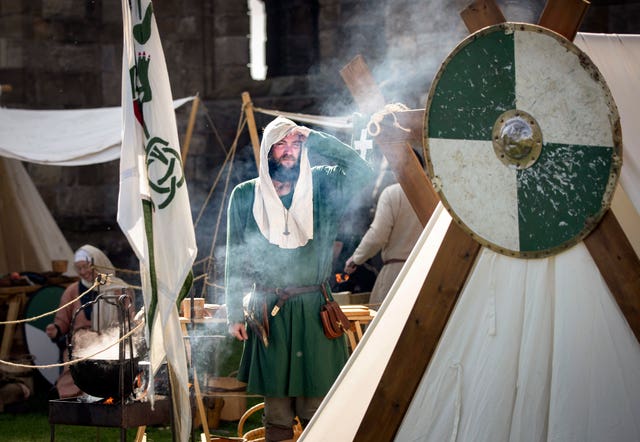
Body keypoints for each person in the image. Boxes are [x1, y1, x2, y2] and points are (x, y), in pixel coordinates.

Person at [225, 116, 373, 442]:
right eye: (281, 144)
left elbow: (364, 171)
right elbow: (235, 253)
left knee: (317, 407)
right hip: (270, 312)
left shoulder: (322, 186)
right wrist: (234, 309)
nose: (289, 151)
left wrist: (314, 137)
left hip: (314, 311)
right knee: (276, 412)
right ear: (268, 150)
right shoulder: (246, 195)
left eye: (295, 144)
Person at [45, 244, 134, 399]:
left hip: (111, 340)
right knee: (75, 366)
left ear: (98, 263)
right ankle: (74, 397)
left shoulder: (118, 288)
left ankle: (110, 395)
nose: (83, 272)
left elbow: (128, 317)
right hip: (82, 342)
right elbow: (63, 317)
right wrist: (57, 328)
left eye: (86, 267)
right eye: (79, 268)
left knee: (111, 368)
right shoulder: (73, 290)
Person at [344, 152, 424, 307]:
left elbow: (378, 235)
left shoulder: (392, 193)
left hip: (396, 275)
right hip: (426, 273)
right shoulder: (436, 197)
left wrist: (356, 258)